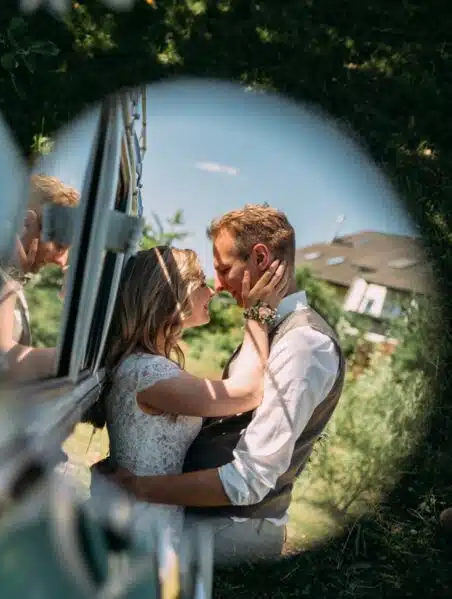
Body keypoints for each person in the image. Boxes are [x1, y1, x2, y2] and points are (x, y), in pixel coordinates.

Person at [103, 204, 346, 566]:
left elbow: (249, 477)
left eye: (222, 269)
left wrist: (138, 488)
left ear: (260, 258)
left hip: (230, 532)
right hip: (194, 523)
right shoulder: (268, 331)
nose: (217, 285)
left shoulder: (303, 343)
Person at [84, 246, 287, 582]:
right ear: (174, 296)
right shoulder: (147, 372)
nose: (213, 292)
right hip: (140, 525)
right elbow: (247, 392)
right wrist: (258, 314)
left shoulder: (144, 366)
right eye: (203, 283)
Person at [0, 173, 79, 382]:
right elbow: (2, 360)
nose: (61, 261)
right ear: (25, 223)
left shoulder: (10, 282)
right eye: (59, 246)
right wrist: (78, 358)